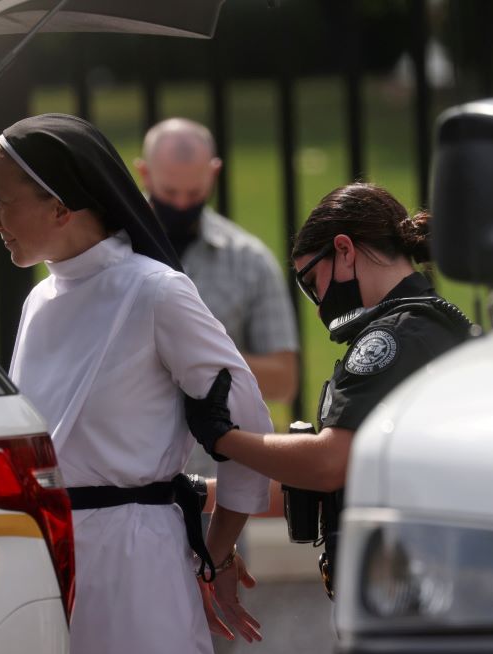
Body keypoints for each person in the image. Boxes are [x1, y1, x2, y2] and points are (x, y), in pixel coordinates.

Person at [0, 112, 273, 654]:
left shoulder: (155, 291)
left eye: (2, 201)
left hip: (137, 564)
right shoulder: (40, 301)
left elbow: (246, 421)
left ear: (59, 206)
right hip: (49, 563)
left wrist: (216, 551)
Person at [186, 182, 472, 598]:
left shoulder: (392, 339)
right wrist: (200, 493)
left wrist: (221, 437)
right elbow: (325, 476)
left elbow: (327, 463)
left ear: (344, 249)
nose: (319, 305)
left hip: (415, 585)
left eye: (312, 282)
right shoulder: (425, 325)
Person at [136, 118, 299, 405]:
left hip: (215, 449)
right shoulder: (112, 249)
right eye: (170, 192)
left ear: (214, 173)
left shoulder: (250, 260)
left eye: (195, 193)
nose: (182, 204)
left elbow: (284, 382)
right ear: (144, 174)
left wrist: (202, 355)